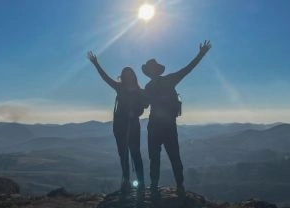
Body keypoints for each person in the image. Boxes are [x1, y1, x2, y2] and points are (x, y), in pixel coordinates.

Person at [142, 40, 212, 200]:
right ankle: (167, 186)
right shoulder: (154, 85)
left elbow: (187, 69)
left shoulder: (162, 82)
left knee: (167, 157)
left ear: (155, 71)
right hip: (160, 126)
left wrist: (200, 55)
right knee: (164, 157)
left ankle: (170, 186)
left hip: (160, 126)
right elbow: (145, 104)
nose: (152, 71)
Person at [87, 51, 147, 197]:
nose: (128, 77)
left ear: (133, 76)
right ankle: (128, 182)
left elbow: (144, 106)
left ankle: (139, 184)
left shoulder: (137, 91)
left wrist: (136, 112)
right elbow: (105, 78)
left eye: (129, 75)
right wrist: (96, 64)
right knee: (124, 154)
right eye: (126, 75)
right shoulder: (123, 88)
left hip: (130, 126)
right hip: (121, 127)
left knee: (134, 154)